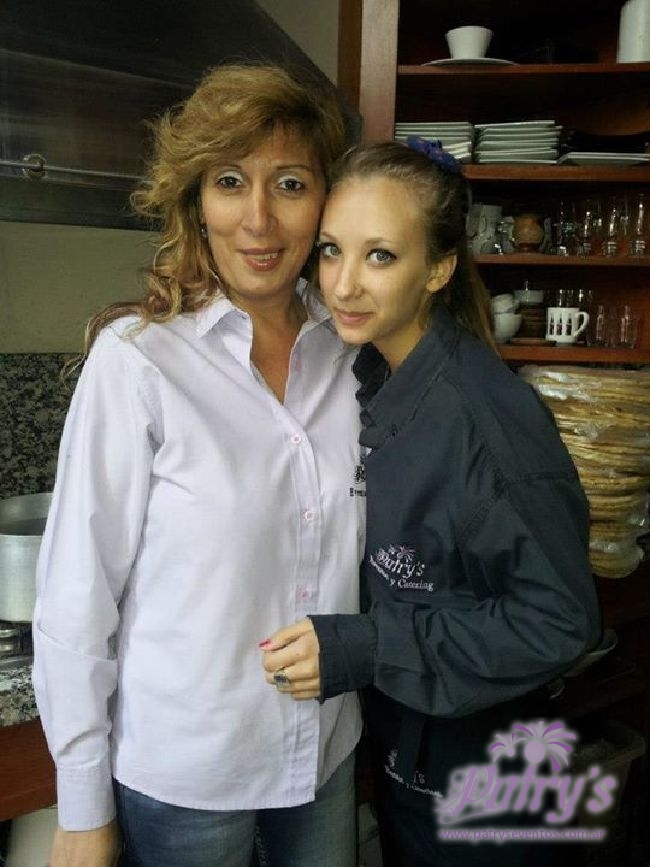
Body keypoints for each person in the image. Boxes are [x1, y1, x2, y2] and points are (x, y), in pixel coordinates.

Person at [32, 63, 366, 867]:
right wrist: (82, 807)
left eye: (290, 183)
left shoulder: (356, 355)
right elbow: (77, 594)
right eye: (229, 181)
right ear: (196, 201)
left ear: (326, 202)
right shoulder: (138, 361)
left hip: (325, 753)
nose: (259, 218)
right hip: (187, 776)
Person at [260, 140, 602, 866]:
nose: (343, 284)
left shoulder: (484, 421)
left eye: (380, 256)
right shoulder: (381, 377)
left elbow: (560, 621)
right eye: (331, 250)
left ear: (439, 268)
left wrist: (368, 646)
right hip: (412, 758)